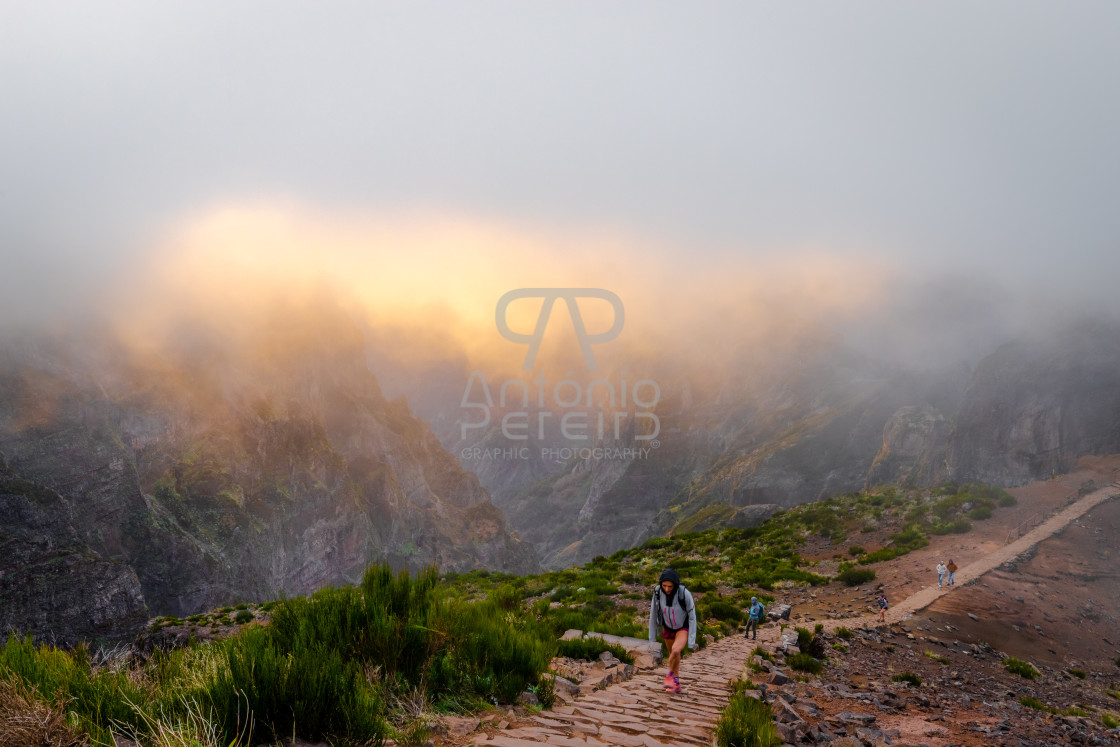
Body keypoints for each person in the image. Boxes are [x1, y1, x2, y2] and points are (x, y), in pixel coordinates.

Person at [648, 568, 697, 693]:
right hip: (668, 626)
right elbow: (653, 613)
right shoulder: (658, 592)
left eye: (670, 586)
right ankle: (676, 682)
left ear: (675, 584)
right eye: (664, 585)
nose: (667, 589)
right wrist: (652, 638)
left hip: (682, 627)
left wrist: (691, 640)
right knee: (673, 656)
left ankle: (669, 676)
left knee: (675, 651)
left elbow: (692, 617)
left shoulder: (684, 594)